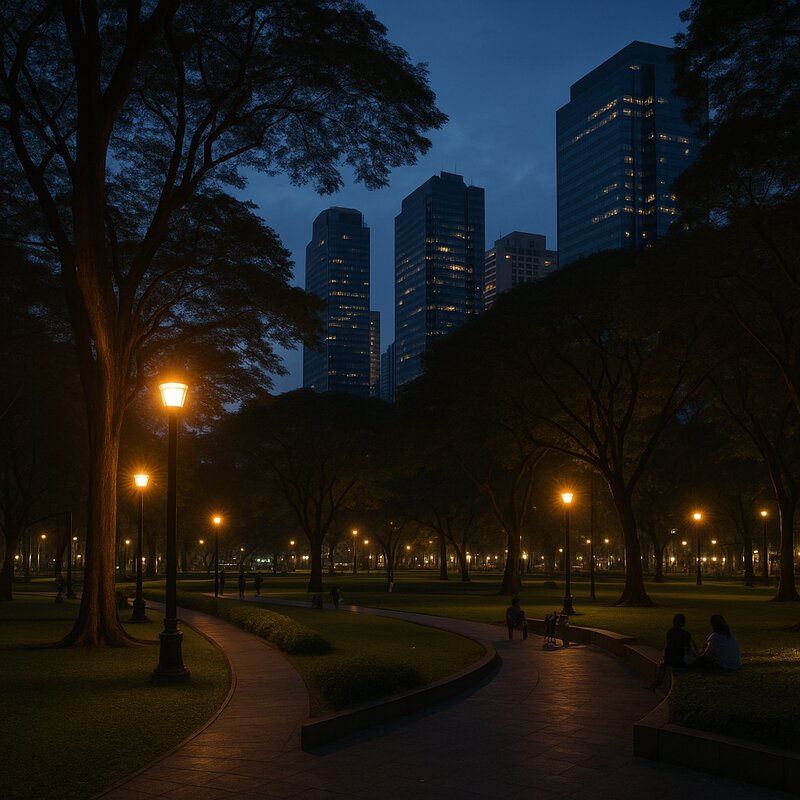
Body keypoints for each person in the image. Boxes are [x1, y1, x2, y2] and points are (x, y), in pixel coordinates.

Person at [649, 613, 698, 690]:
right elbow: (691, 648)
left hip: (669, 660)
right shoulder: (686, 634)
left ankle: (656, 683)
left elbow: (667, 647)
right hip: (679, 661)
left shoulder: (670, 632)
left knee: (663, 664)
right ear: (683, 623)